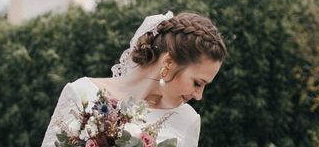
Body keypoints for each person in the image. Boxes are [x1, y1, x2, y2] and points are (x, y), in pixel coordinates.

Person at [41, 12, 227, 147]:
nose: (199, 96)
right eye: (197, 83)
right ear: (168, 63)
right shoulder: (81, 92)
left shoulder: (187, 120)